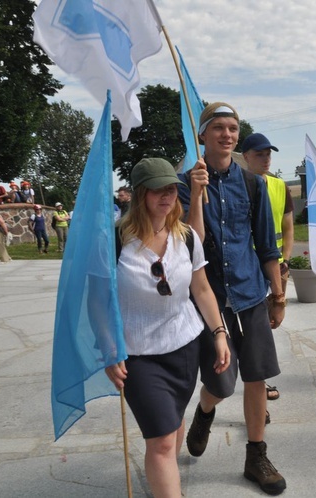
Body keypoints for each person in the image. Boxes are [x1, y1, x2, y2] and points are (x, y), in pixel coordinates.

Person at [104, 157, 231, 498]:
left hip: (184, 347)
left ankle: (166, 485)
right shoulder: (115, 240)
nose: (167, 196)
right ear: (140, 193)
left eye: (172, 188)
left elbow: (201, 289)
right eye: (158, 190)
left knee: (173, 427)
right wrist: (108, 349)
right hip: (137, 355)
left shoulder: (186, 236)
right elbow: (97, 299)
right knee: (161, 440)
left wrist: (219, 333)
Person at [177, 102, 287, 495]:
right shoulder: (182, 183)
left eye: (233, 128)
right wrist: (195, 191)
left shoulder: (253, 184)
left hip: (251, 293)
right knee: (222, 384)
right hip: (211, 299)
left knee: (257, 376)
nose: (227, 134)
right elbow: (192, 245)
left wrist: (278, 295)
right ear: (202, 135)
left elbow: (266, 244)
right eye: (218, 128)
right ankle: (206, 410)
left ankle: (256, 455)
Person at [242, 132, 294, 403]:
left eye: (268, 154)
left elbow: (287, 226)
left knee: (269, 324)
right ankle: (258, 385)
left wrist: (284, 262)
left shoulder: (279, 185)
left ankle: (260, 379)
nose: (266, 159)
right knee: (254, 328)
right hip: (245, 267)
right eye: (259, 154)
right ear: (246, 157)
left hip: (273, 265)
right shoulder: (237, 184)